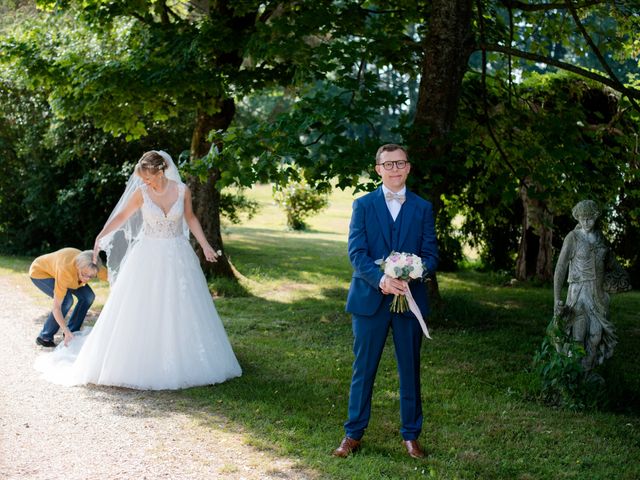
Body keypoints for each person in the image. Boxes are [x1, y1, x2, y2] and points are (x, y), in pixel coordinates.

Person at [35, 150, 242, 390]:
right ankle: (142, 356)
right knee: (144, 305)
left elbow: (191, 218)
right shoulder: (141, 193)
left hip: (177, 256)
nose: (146, 182)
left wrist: (206, 246)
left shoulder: (182, 190)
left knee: (181, 304)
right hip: (147, 256)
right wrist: (102, 235)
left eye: (149, 177)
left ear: (161, 170)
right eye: (143, 178)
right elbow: (122, 215)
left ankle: (184, 357)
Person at [333, 144, 439, 459]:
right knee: (363, 370)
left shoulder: (422, 208)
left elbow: (431, 254)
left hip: (409, 299)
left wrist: (412, 275)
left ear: (408, 167)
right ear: (378, 169)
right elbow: (356, 252)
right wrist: (381, 279)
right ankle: (352, 435)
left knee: (410, 369)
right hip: (369, 300)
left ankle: (411, 435)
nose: (395, 169)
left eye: (400, 163)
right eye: (388, 164)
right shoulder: (363, 205)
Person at [553, 199, 620, 372]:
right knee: (578, 335)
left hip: (597, 296)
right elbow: (560, 268)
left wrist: (617, 280)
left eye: (589, 218)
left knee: (596, 335)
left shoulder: (600, 238)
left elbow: (612, 264)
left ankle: (587, 371)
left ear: (595, 216)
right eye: (582, 218)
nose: (586, 222)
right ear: (577, 218)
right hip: (578, 293)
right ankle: (574, 374)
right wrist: (556, 298)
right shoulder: (572, 238)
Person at [29, 248, 107, 347]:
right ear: (78, 267)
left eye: (91, 277)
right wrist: (65, 330)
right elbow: (57, 307)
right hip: (41, 272)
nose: (86, 280)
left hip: (67, 274)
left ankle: (73, 332)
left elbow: (114, 278)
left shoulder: (94, 265)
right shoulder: (65, 271)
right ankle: (45, 336)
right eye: (84, 275)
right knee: (67, 300)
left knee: (88, 296)